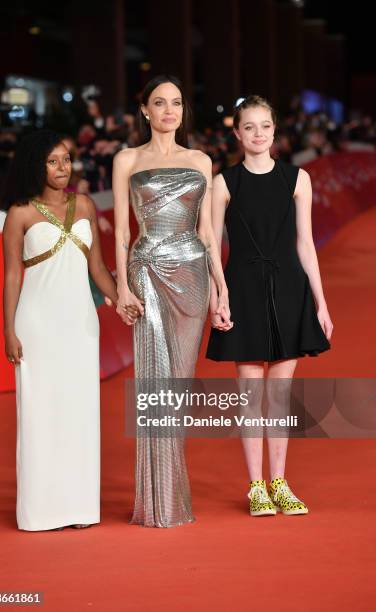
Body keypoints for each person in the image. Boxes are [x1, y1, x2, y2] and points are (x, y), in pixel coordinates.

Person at [2, 130, 137, 531]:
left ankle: (79, 508)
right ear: (35, 165)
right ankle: (40, 511)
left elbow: (97, 268)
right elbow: (12, 276)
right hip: (37, 325)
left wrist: (122, 299)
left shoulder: (85, 206)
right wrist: (8, 330)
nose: (63, 168)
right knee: (40, 415)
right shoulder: (20, 213)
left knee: (79, 414)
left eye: (66, 159)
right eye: (53, 161)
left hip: (80, 323)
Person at [113, 75, 232, 528]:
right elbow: (123, 231)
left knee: (177, 387)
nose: (169, 111)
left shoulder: (200, 159)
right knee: (153, 381)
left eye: (177, 103)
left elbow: (206, 232)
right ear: (144, 109)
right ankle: (158, 501)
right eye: (159, 103)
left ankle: (169, 494)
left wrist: (220, 288)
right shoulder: (127, 158)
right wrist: (123, 286)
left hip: (192, 275)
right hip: (146, 272)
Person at [206, 96, 333, 517]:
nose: (258, 134)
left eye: (265, 126)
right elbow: (210, 244)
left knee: (278, 395)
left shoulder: (298, 179)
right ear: (237, 133)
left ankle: (280, 482)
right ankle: (256, 486)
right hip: (242, 288)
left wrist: (321, 303)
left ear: (275, 132)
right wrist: (217, 296)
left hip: (289, 288)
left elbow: (305, 243)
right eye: (249, 127)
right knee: (249, 393)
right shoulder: (224, 183)